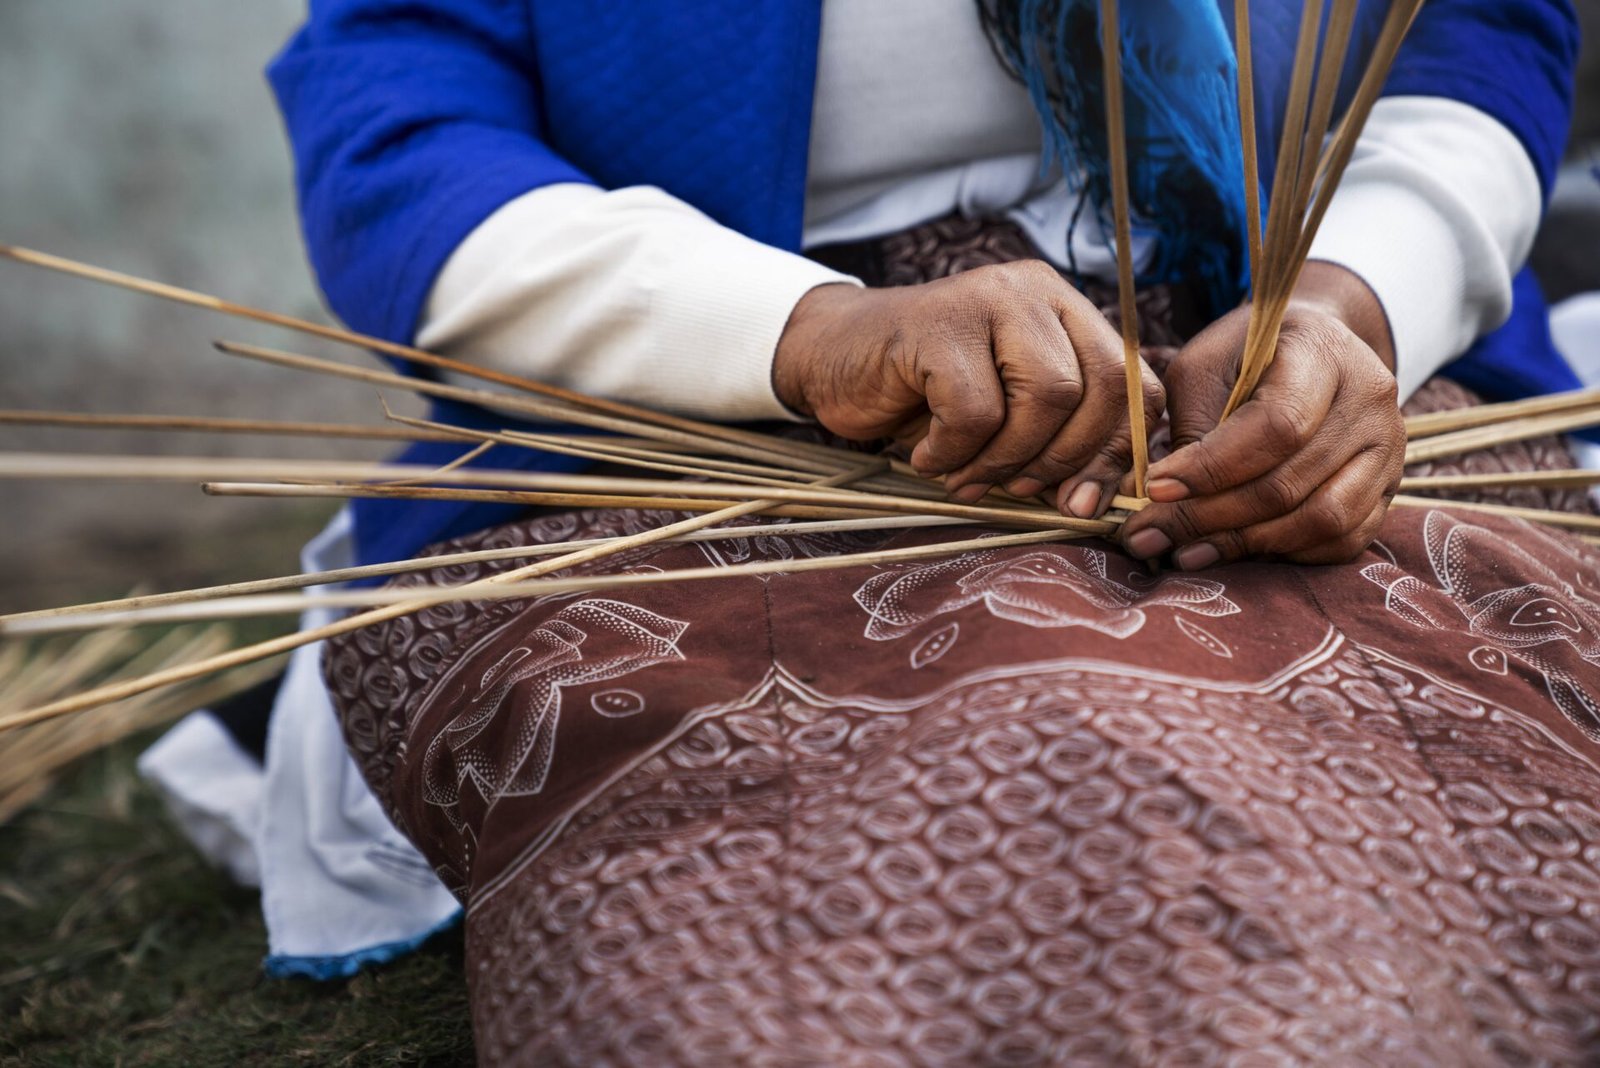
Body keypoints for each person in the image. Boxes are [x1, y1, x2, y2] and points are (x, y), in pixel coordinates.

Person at [220, 0, 1600, 1061]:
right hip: (711, 408)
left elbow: (1477, 33)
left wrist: (1359, 306)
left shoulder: (1339, 328)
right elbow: (399, 132)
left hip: (1284, 333)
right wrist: (808, 334)